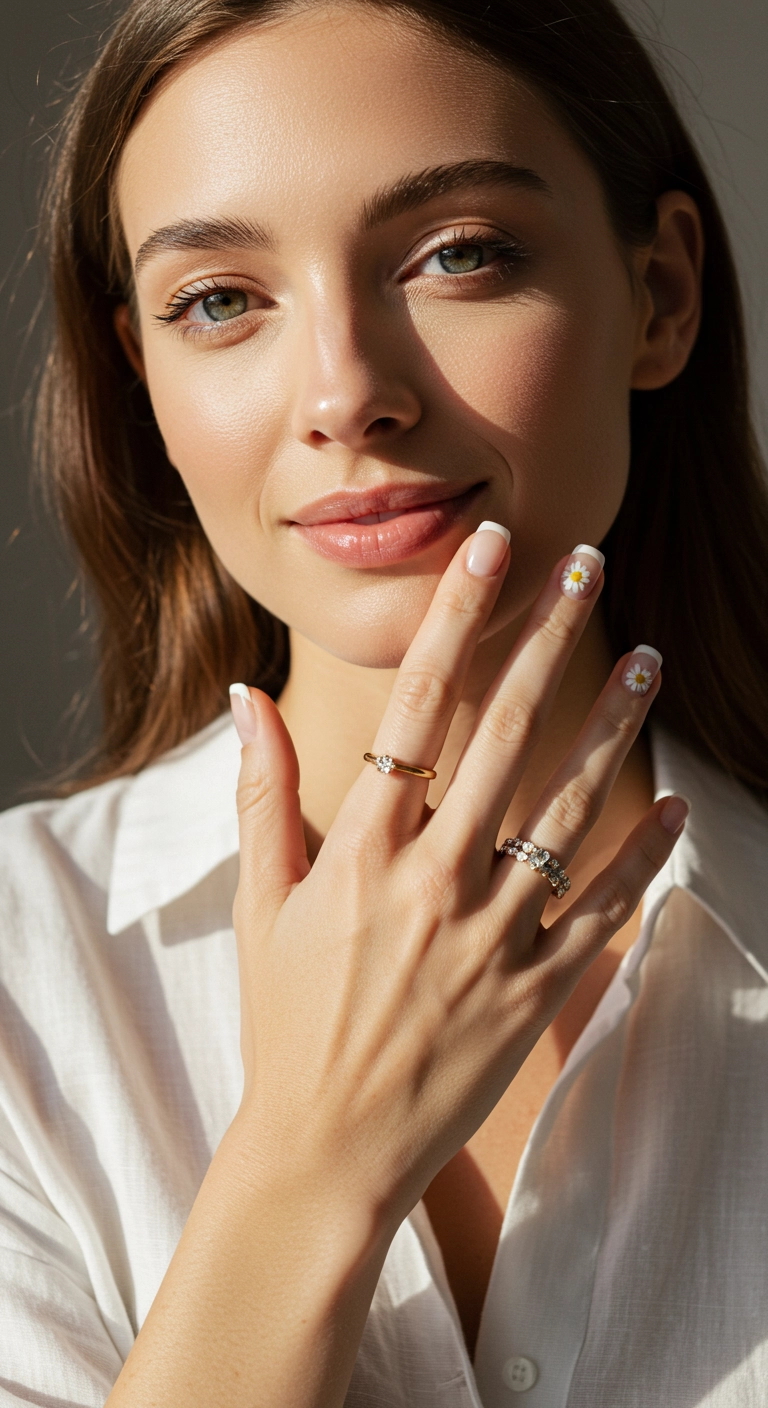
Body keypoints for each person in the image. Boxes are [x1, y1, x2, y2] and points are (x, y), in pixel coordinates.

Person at [1, 0, 767, 1403]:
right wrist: (312, 1159)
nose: (348, 393)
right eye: (220, 299)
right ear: (145, 379)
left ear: (660, 294)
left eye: (458, 254)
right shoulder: (21, 974)